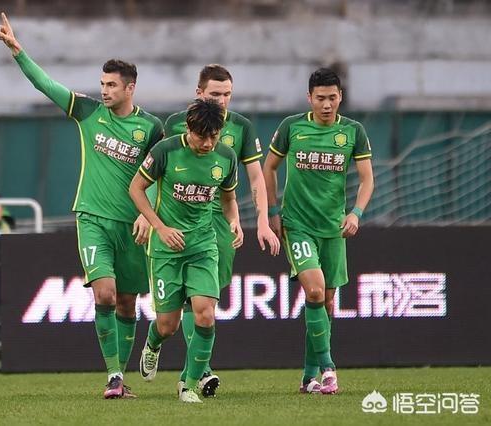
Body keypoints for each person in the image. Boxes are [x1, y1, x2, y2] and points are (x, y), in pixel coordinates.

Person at [0, 13, 164, 398]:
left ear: (130, 88)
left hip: (132, 225)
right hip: (92, 219)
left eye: (111, 85)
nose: (104, 90)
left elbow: (158, 175)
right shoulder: (88, 112)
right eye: (102, 83)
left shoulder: (152, 128)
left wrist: (147, 214)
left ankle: (122, 378)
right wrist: (18, 52)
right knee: (104, 294)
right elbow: (46, 85)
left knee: (127, 302)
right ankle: (113, 376)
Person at [163, 64, 280, 397]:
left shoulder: (241, 127)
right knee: (189, 299)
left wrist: (260, 220)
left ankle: (192, 373)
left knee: (206, 301)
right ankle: (200, 373)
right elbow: (157, 169)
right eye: (215, 94)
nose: (222, 100)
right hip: (180, 219)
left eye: (227, 94)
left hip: (220, 222)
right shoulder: (174, 124)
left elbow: (256, 177)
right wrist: (149, 218)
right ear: (199, 93)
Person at [262, 68, 374, 394]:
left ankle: (308, 377)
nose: (327, 104)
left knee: (326, 301)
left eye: (332, 98)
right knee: (313, 291)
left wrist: (356, 213)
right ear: (309, 97)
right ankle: (328, 368)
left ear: (341, 97)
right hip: (298, 226)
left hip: (333, 228)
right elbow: (269, 168)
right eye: (320, 98)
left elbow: (367, 179)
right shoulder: (292, 127)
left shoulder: (353, 131)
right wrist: (273, 212)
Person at [130, 98, 242, 403]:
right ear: (188, 129)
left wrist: (234, 221)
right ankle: (153, 343)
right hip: (166, 249)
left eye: (213, 136)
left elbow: (228, 199)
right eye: (201, 136)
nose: (207, 143)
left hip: (203, 245)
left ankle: (188, 385)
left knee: (205, 314)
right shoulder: (165, 151)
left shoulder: (226, 157)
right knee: (168, 325)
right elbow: (136, 188)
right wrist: (160, 227)